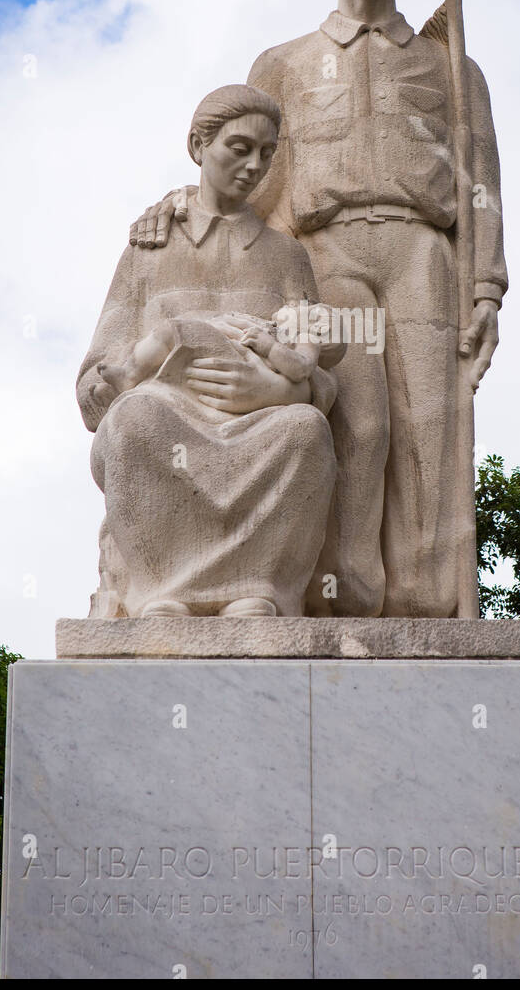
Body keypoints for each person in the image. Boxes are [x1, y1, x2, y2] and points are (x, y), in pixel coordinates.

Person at [128, 0, 508, 619]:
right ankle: (342, 585)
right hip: (322, 251)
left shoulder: (451, 69)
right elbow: (244, 171)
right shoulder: (283, 63)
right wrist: (183, 203)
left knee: (431, 423)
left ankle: (425, 597)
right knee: (356, 422)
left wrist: (487, 289)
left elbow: (481, 186)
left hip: (421, 249)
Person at [76, 84, 338, 619]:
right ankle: (161, 591)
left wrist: (281, 388)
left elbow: (320, 370)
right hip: (167, 421)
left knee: (305, 430)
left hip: (257, 428)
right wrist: (126, 380)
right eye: (238, 148)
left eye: (266, 154)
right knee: (133, 418)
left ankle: (256, 588)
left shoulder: (286, 256)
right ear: (198, 147)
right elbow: (92, 393)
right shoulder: (148, 250)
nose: (253, 166)